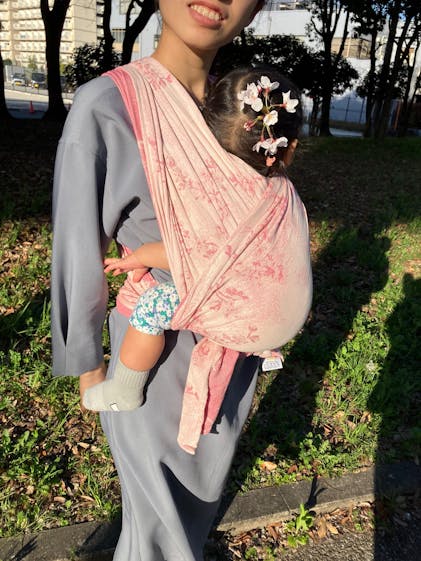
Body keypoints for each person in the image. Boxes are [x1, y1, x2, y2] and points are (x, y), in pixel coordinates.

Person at [51, 2, 312, 560]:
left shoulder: (245, 110)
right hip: (154, 356)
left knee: (190, 513)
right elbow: (78, 239)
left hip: (232, 357)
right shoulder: (108, 104)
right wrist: (88, 362)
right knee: (158, 530)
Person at [82, 67, 302, 414]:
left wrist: (140, 256)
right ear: (288, 151)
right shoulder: (284, 194)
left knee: (151, 308)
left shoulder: (217, 195)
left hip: (238, 314)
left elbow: (185, 254)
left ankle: (125, 388)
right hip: (282, 315)